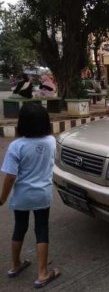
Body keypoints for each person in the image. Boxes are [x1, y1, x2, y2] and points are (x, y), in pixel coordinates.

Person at [0, 103, 60, 289]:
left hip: (22, 196)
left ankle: (15, 265)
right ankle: (43, 273)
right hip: (42, 195)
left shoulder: (16, 146)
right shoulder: (51, 141)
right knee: (42, 229)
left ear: (22, 123)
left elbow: (10, 177)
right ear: (45, 123)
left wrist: (2, 198)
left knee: (20, 227)